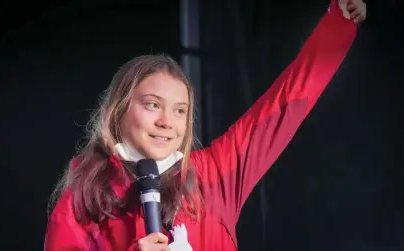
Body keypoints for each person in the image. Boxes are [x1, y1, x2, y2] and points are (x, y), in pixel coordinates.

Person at [44, 0, 367, 250]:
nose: (167, 122)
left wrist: (339, 24)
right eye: (153, 105)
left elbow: (288, 99)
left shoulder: (214, 174)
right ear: (119, 110)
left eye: (181, 110)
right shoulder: (84, 197)